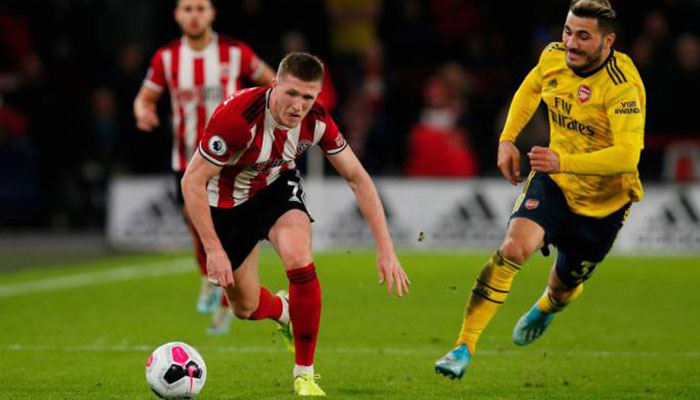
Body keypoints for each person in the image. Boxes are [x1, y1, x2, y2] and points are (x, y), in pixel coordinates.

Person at [435, 0, 645, 379]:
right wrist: (507, 139)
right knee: (513, 249)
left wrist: (563, 160)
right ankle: (462, 347)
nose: (572, 43)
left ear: (608, 41)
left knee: (564, 287)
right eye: (568, 31)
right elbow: (530, 88)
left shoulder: (621, 86)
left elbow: (627, 156)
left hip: (604, 205)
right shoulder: (553, 57)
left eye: (583, 36)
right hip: (555, 183)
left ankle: (548, 305)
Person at [181, 52, 410, 396]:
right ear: (274, 85)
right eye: (291, 93)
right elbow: (191, 181)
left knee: (299, 257)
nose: (298, 105)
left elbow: (358, 178)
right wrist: (213, 250)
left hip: (275, 189)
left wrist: (386, 248)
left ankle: (305, 373)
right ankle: (285, 311)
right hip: (226, 205)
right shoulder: (237, 121)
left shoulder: (316, 121)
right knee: (245, 308)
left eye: (308, 97)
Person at [133, 0, 275, 333]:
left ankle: (226, 301)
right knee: (195, 222)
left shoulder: (235, 52)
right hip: (187, 159)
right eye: (187, 9)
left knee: (227, 232)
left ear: (212, 13)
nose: (194, 15)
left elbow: (273, 86)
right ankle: (209, 280)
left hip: (232, 160)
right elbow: (145, 98)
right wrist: (143, 112)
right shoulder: (166, 58)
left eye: (200, 8)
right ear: (177, 15)